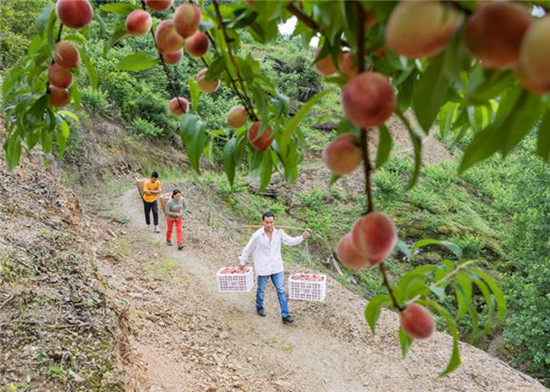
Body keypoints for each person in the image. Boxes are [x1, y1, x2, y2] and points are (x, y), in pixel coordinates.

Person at [239, 211, 310, 325]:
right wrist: (243, 261)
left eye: (271, 222)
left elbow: (290, 241)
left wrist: (302, 237)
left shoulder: (279, 233)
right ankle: (259, 306)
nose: (269, 225)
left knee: (281, 290)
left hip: (277, 267)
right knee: (261, 289)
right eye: (267, 222)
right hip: (263, 267)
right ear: (263, 222)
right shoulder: (257, 235)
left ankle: (285, 315)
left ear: (274, 222)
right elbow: (248, 248)